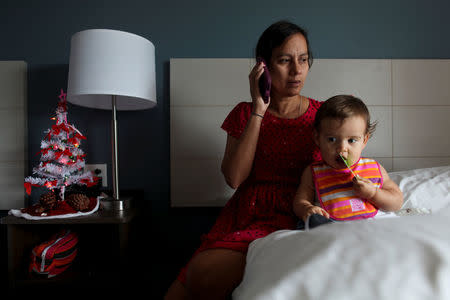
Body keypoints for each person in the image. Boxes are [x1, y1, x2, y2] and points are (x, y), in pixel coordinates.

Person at [165, 20, 321, 300]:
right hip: (246, 213)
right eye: (285, 60)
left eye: (304, 60)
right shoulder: (244, 112)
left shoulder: (322, 116)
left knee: (205, 273)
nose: (297, 71)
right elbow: (234, 178)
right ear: (264, 66)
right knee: (180, 290)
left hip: (294, 213)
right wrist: (258, 110)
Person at [293, 95, 403, 227]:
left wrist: (373, 193)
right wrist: (307, 209)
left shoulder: (374, 167)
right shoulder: (313, 173)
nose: (342, 148)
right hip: (333, 227)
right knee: (311, 223)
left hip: (372, 227)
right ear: (317, 138)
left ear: (364, 140)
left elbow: (397, 202)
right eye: (332, 140)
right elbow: (300, 202)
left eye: (351, 140)